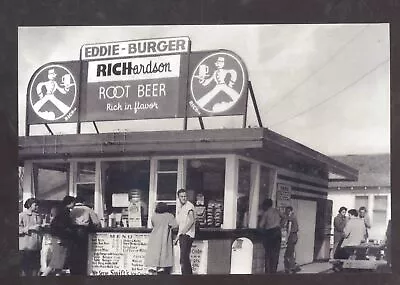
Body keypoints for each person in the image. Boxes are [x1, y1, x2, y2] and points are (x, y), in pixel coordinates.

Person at [41, 201, 75, 276]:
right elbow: (60, 229)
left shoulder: (56, 220)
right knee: (55, 262)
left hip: (59, 240)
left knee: (59, 263)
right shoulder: (62, 219)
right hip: (60, 240)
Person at [69, 196, 101, 275]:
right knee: (83, 253)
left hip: (72, 232)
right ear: (83, 201)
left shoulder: (72, 210)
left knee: (73, 253)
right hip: (83, 232)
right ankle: (82, 272)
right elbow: (96, 223)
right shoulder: (88, 209)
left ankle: (74, 272)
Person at [145, 202, 178, 274]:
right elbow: (175, 226)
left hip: (154, 238)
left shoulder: (154, 216)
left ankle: (153, 269)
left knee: (154, 254)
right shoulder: (170, 216)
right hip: (164, 238)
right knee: (164, 254)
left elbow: (153, 224)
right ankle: (161, 269)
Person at [19, 198, 43, 276]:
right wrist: (30, 228)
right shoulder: (22, 215)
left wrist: (43, 227)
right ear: (29, 205)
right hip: (26, 247)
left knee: (36, 268)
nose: (37, 207)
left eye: (38, 205)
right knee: (25, 269)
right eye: (35, 205)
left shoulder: (39, 216)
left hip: (37, 247)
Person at [175, 189, 196, 274]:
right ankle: (188, 277)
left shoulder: (189, 206)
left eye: (185, 196)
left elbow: (191, 220)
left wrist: (183, 232)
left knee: (183, 258)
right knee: (185, 258)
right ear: (178, 197)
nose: (184, 198)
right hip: (182, 235)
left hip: (187, 235)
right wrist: (177, 237)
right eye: (182, 196)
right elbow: (180, 224)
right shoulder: (181, 207)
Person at [258, 199, 282, 274]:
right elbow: (285, 217)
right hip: (278, 232)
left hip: (270, 232)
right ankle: (273, 271)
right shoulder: (277, 211)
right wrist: (281, 224)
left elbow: (260, 225)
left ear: (266, 205)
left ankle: (268, 273)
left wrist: (263, 232)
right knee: (276, 254)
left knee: (268, 254)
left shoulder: (266, 213)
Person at [283, 206, 300, 274]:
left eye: (286, 211)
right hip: (295, 236)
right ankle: (293, 266)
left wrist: (287, 238)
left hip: (291, 236)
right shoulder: (294, 216)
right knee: (292, 252)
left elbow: (289, 228)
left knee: (288, 254)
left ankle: (290, 268)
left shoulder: (291, 217)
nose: (286, 212)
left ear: (289, 211)